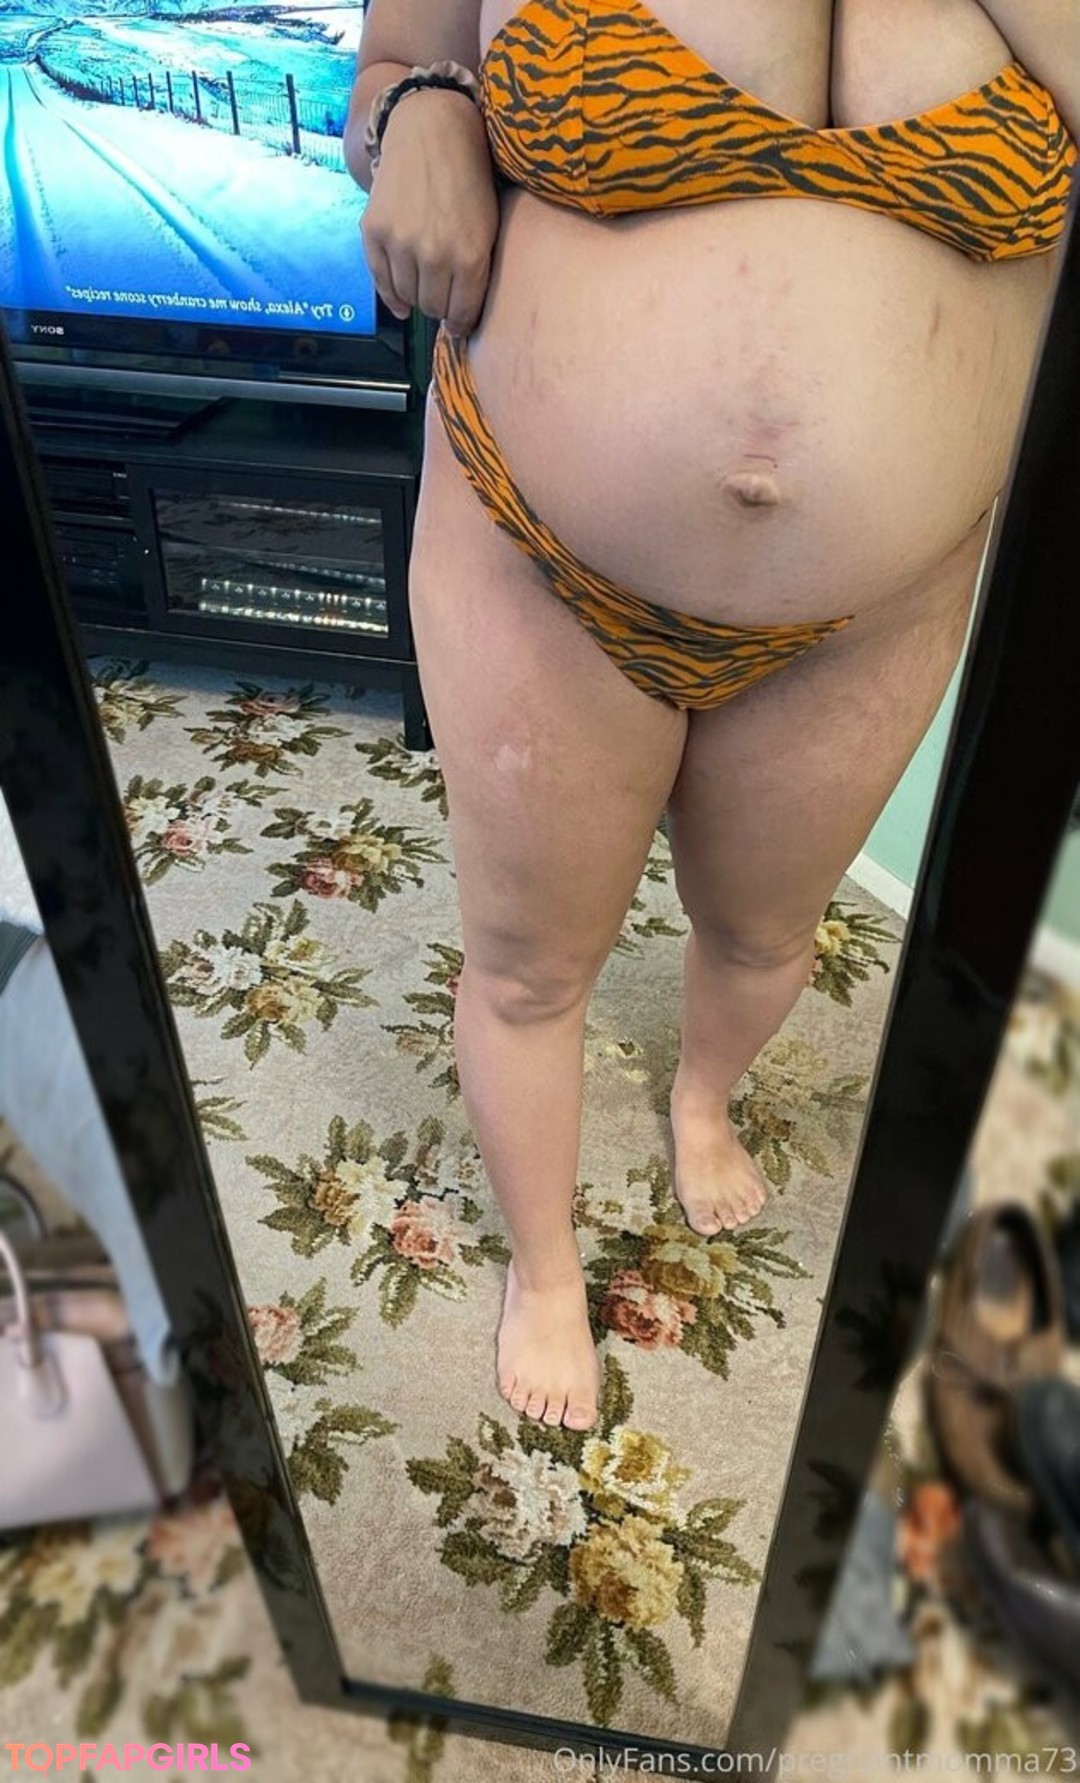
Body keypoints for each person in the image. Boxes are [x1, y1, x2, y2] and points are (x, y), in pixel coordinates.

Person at [344, 0, 1078, 1433]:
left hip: (880, 601)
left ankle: (700, 1094)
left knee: (764, 932)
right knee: (529, 971)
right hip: (533, 547)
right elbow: (390, 69)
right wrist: (417, 109)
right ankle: (546, 1269)